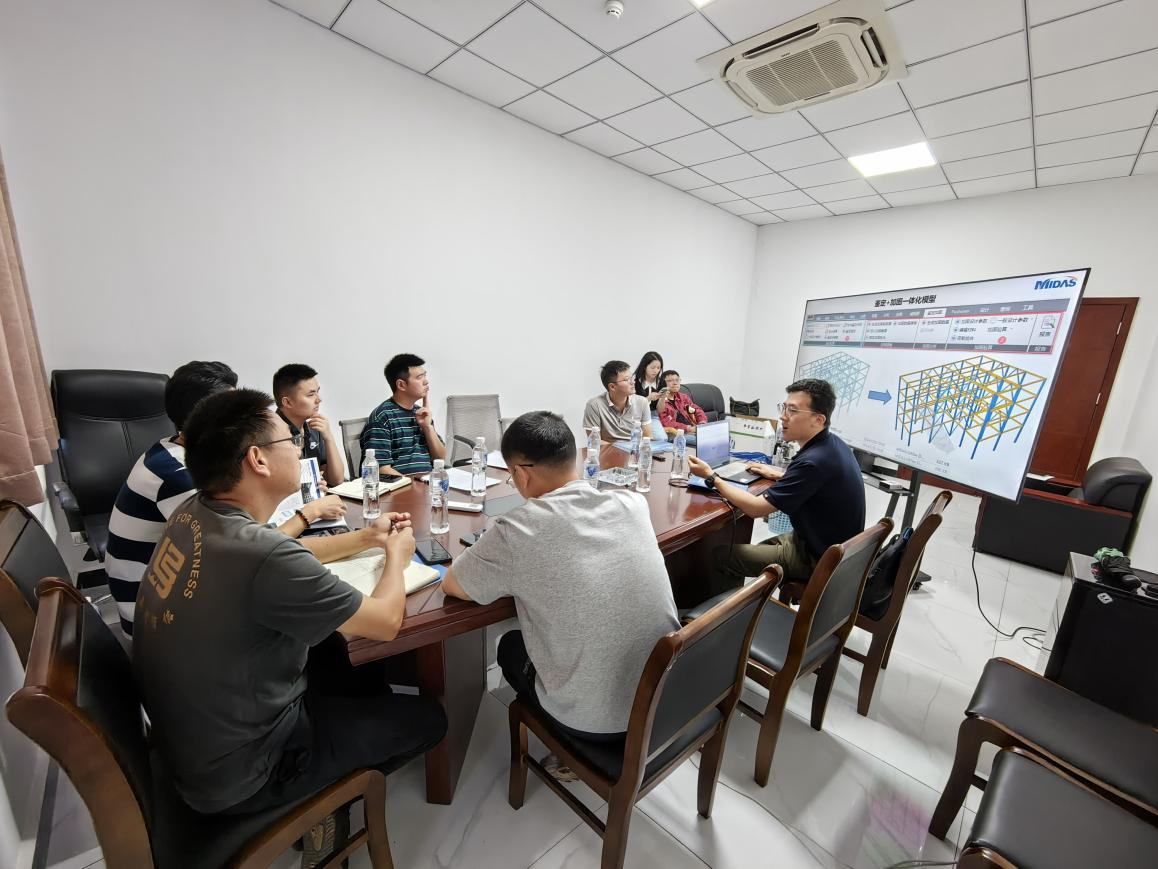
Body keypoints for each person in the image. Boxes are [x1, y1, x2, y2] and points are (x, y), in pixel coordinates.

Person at [133, 388, 446, 838]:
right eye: (290, 440)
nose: (299, 450)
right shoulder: (259, 556)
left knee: (344, 656)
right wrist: (396, 556)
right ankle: (321, 807)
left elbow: (280, 547)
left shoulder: (195, 511)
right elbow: (384, 623)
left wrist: (365, 538)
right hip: (250, 770)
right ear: (258, 459)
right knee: (430, 720)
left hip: (198, 742)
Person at [441, 411, 679, 743]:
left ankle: (563, 747)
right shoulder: (632, 503)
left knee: (509, 646)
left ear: (521, 474)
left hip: (598, 725)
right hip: (670, 698)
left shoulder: (518, 529)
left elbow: (453, 585)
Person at [105, 363, 372, 639]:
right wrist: (314, 516)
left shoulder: (176, 449)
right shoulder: (181, 476)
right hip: (159, 625)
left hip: (182, 596)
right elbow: (260, 552)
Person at [688, 378, 866, 597]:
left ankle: (723, 613)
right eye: (784, 407)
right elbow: (815, 482)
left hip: (817, 559)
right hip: (827, 547)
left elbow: (755, 509)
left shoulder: (813, 462)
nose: (783, 416)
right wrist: (778, 474)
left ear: (818, 419)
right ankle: (736, 601)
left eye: (793, 410)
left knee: (721, 556)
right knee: (749, 548)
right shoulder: (832, 444)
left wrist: (712, 477)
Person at [361, 353, 445, 476]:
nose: (426, 381)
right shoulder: (382, 417)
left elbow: (440, 459)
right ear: (401, 385)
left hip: (429, 483)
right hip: (403, 486)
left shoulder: (422, 413)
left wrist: (427, 427)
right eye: (419, 377)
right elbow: (380, 469)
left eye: (425, 375)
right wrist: (413, 484)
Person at [272, 363, 345, 487]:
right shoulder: (270, 436)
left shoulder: (314, 427)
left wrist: (328, 437)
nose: (319, 399)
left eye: (317, 392)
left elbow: (336, 480)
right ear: (287, 402)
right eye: (311, 395)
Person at [582, 360, 653, 443]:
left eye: (632, 378)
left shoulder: (642, 402)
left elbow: (647, 437)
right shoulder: (594, 405)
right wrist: (621, 449)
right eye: (627, 379)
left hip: (634, 449)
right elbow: (595, 441)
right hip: (608, 450)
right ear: (612, 387)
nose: (633, 382)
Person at [657, 370, 707, 440]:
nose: (675, 383)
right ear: (663, 383)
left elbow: (696, 410)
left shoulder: (683, 397)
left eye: (677, 380)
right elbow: (666, 422)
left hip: (692, 430)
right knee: (702, 440)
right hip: (675, 433)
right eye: (670, 381)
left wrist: (702, 423)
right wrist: (688, 428)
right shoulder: (660, 402)